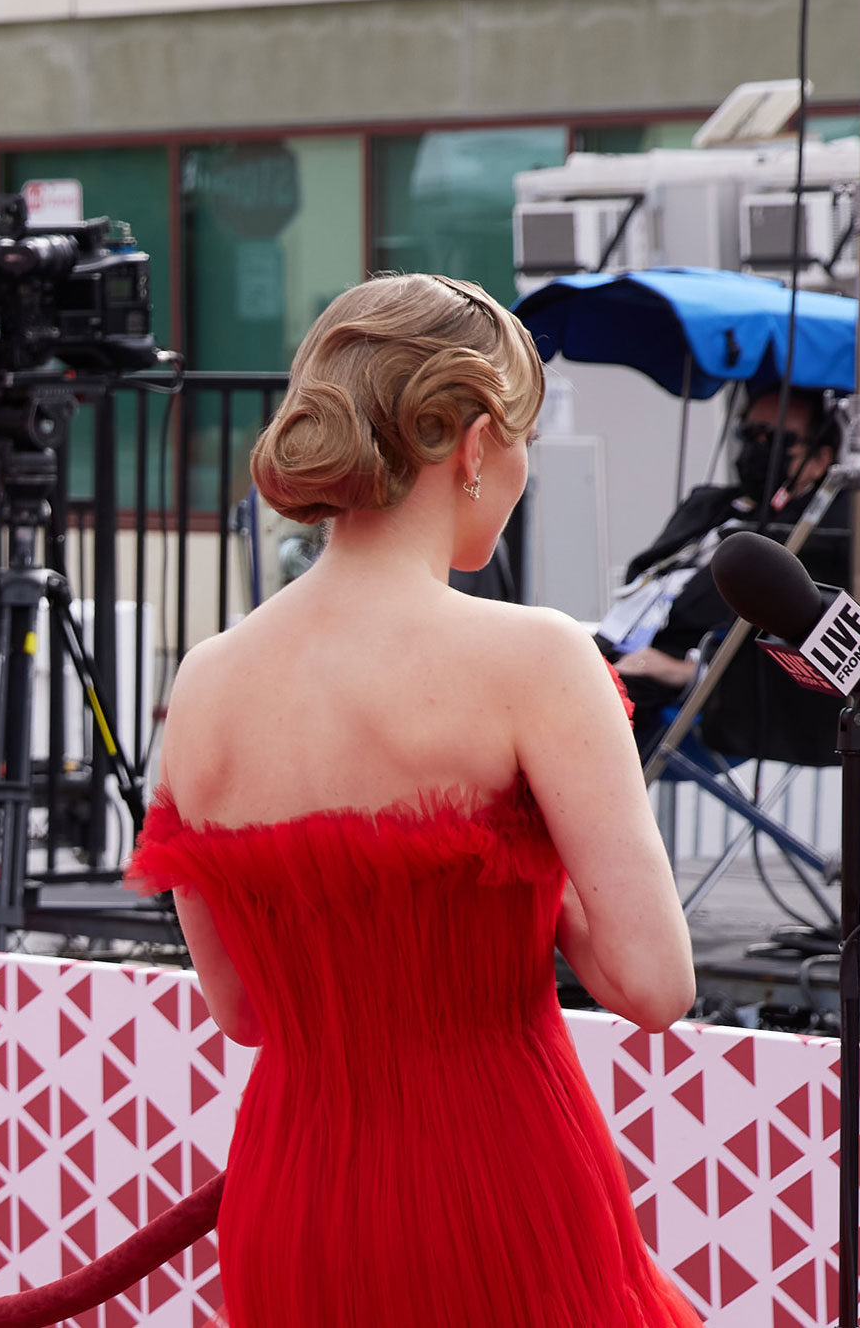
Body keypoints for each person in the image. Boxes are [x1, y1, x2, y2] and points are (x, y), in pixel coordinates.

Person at [125, 273, 701, 1327]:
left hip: (296, 1198)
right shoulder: (537, 657)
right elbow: (655, 984)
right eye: (520, 437)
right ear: (475, 442)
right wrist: (522, 857)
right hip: (501, 1179)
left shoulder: (204, 680)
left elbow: (242, 1009)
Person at [602, 383, 839, 736]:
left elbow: (797, 645)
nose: (758, 446)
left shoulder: (820, 536)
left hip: (690, 682)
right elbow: (643, 573)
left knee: (597, 705)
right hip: (620, 644)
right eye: (751, 433)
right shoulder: (707, 505)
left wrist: (686, 671)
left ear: (819, 460)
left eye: (776, 439)